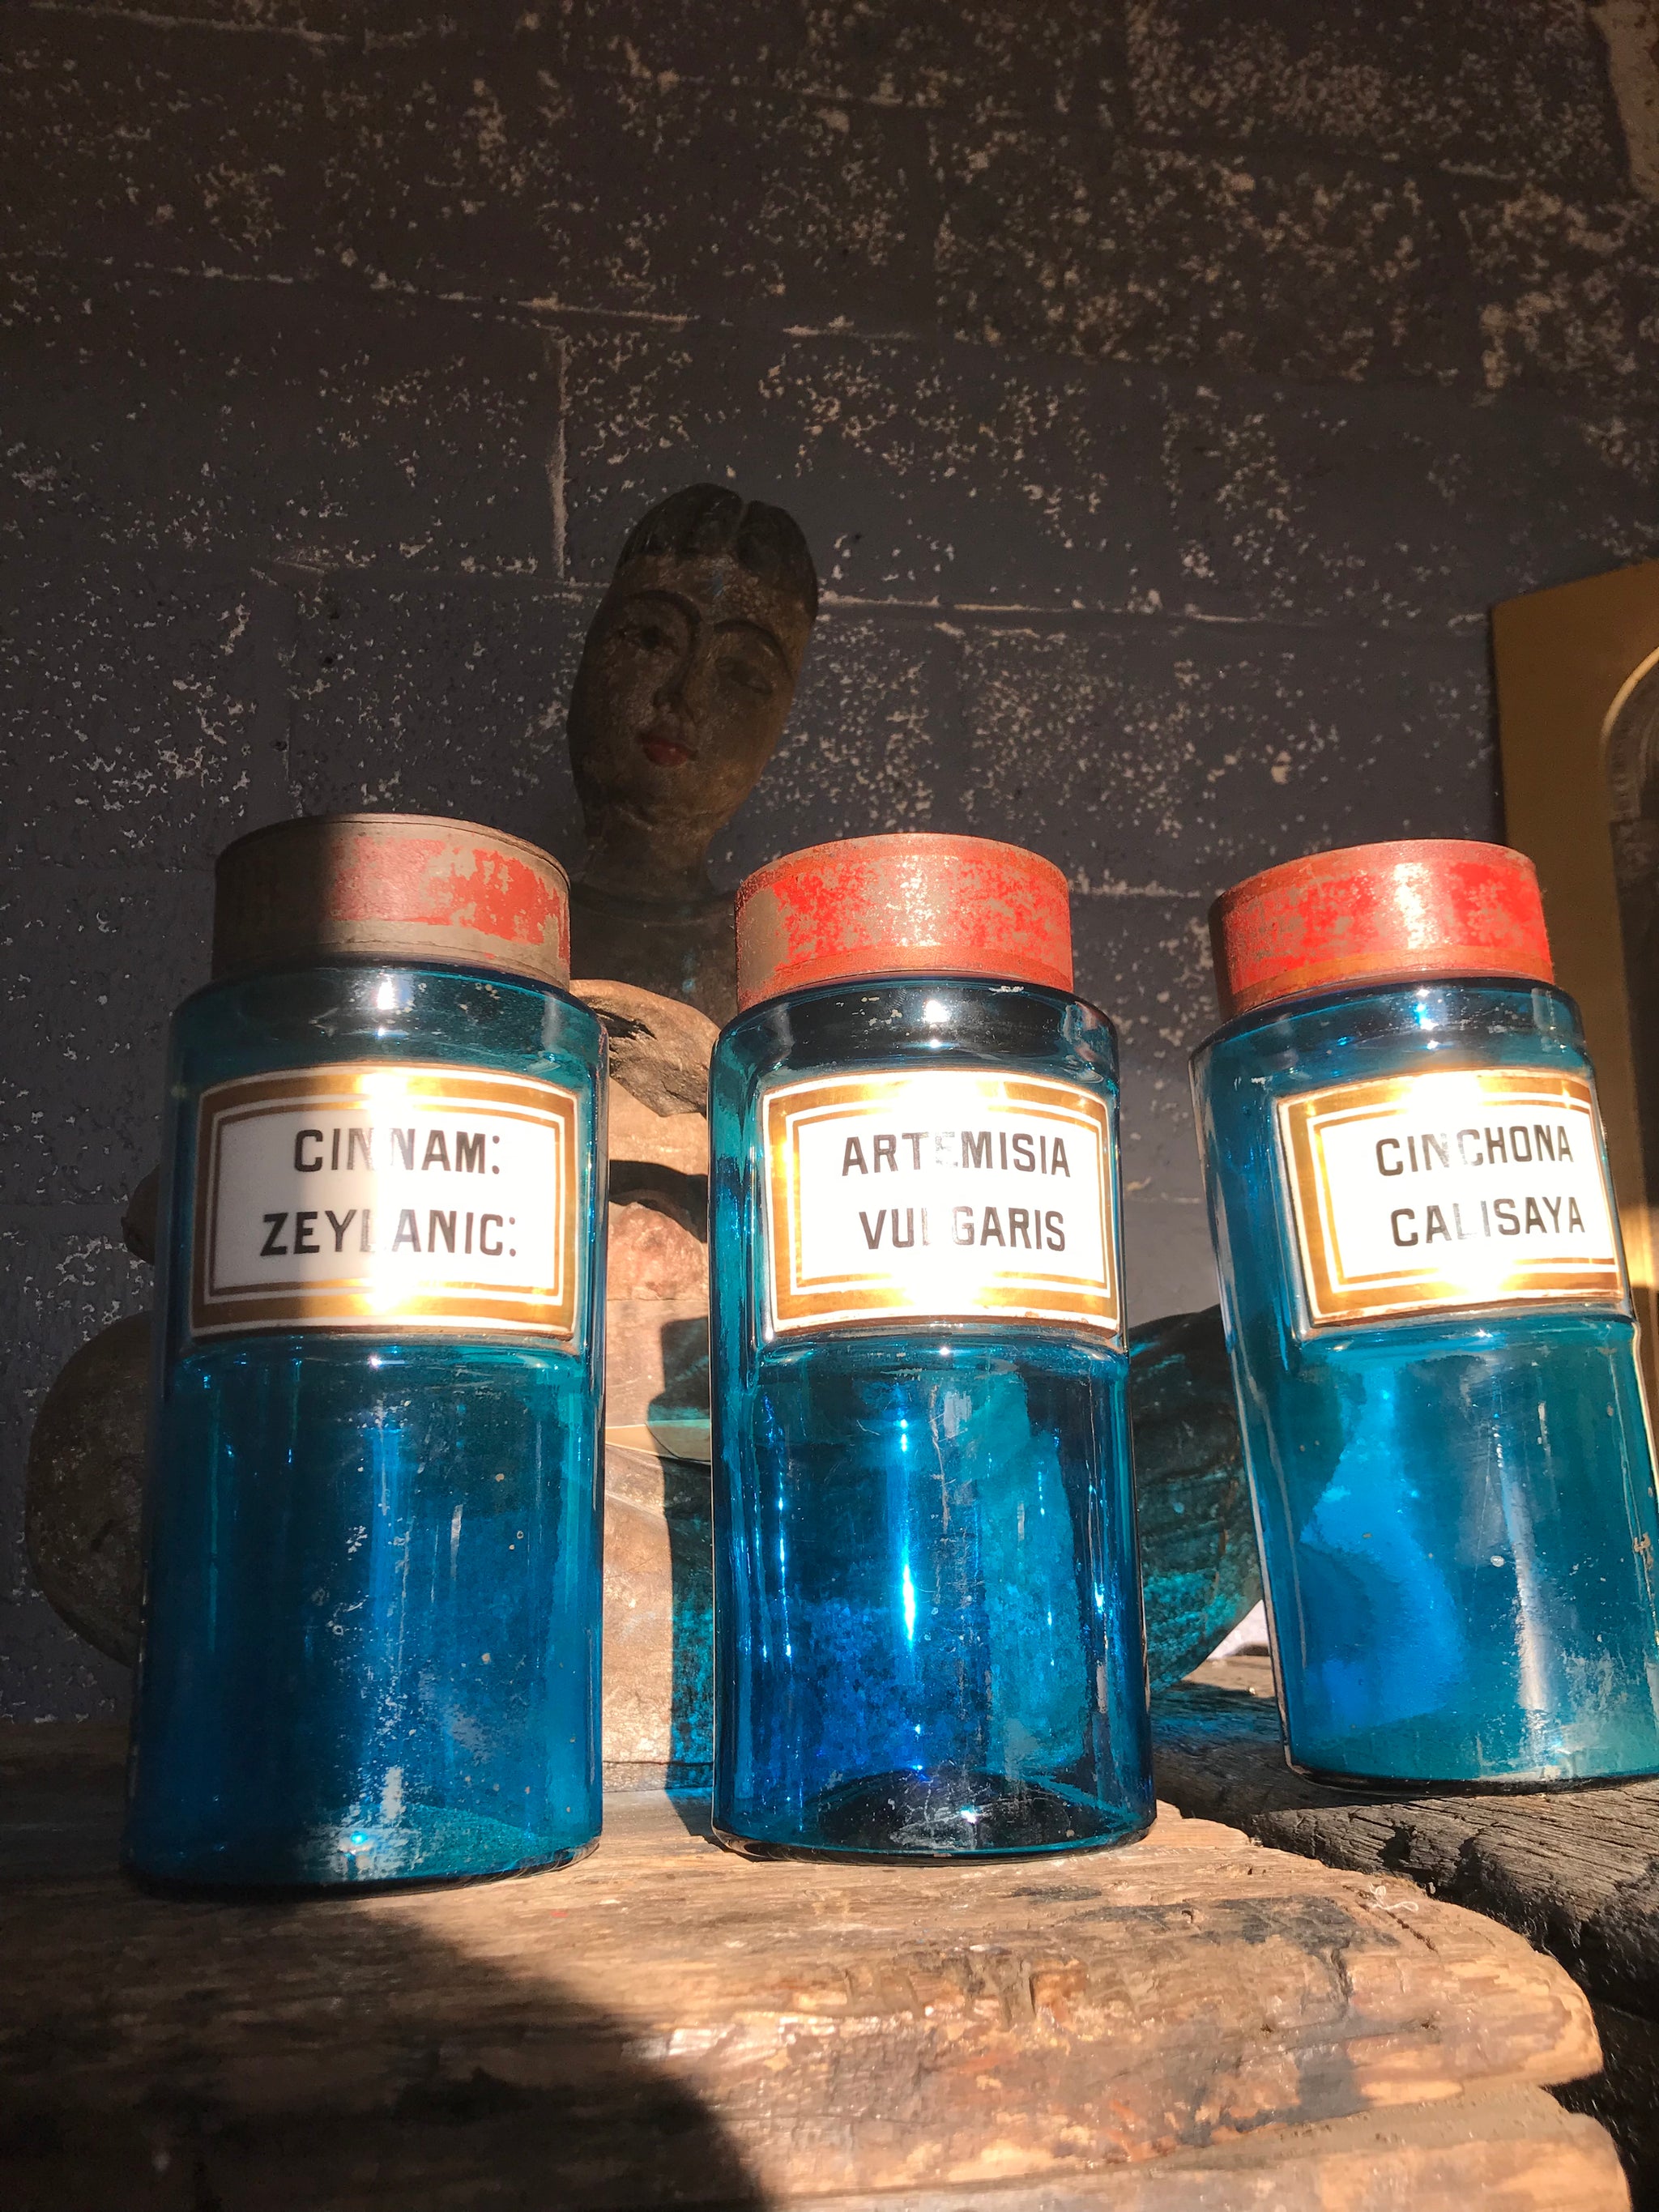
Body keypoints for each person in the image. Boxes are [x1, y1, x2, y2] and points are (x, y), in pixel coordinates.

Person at [566, 484, 819, 1021]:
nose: (685, 694)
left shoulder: (773, 966)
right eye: (653, 639)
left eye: (742, 673)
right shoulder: (503, 924)